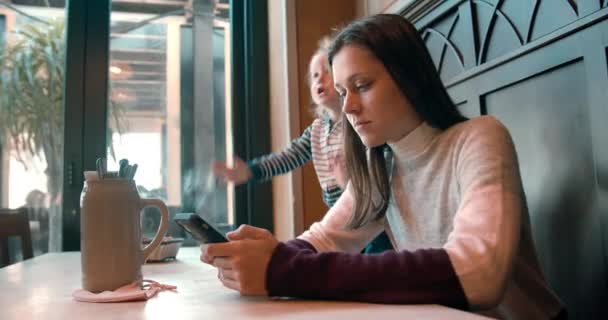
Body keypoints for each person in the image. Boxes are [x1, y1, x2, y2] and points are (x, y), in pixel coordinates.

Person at [201, 14, 565, 319]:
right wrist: (270, 253)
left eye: (362, 85)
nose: (348, 108)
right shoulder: (381, 165)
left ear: (410, 77)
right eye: (343, 92)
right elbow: (326, 240)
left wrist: (282, 269)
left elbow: (479, 274)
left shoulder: (479, 138)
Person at [212, 36, 392, 254]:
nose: (319, 80)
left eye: (327, 72)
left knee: (377, 254)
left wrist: (348, 183)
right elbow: (287, 157)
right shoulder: (316, 131)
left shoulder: (358, 123)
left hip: (369, 214)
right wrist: (250, 171)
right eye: (315, 75)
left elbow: (379, 175)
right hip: (339, 214)